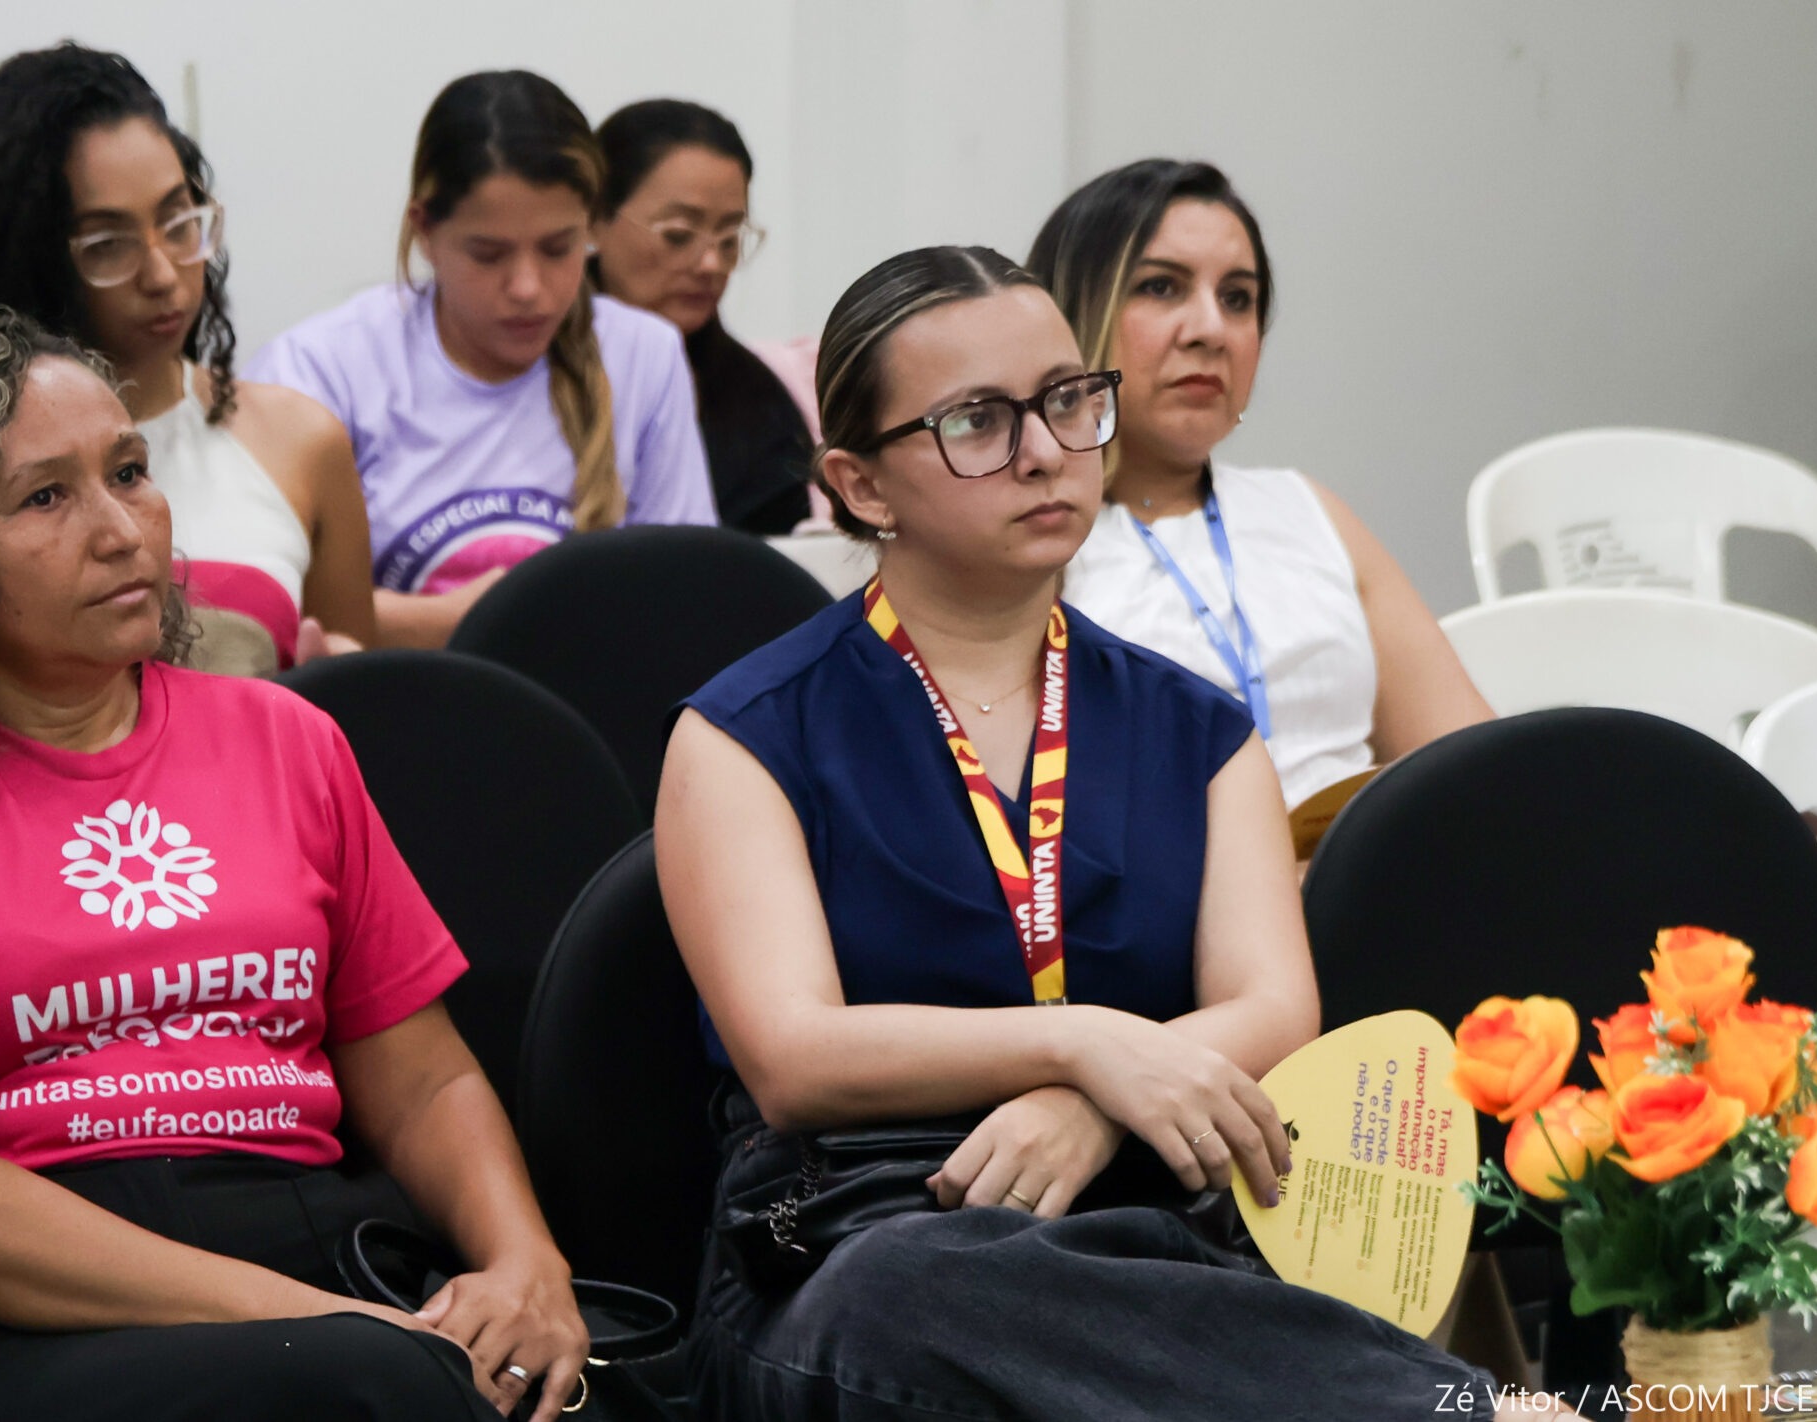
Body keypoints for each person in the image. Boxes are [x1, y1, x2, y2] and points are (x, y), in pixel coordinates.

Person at [657, 245, 1534, 1419]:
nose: (1043, 452)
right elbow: (794, 1056)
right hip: (849, 1228)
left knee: (1189, 1285)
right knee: (905, 1293)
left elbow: (1274, 1008)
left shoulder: (1199, 731)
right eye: (977, 421)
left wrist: (1096, 1100)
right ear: (862, 488)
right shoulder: (748, 731)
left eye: (1067, 401)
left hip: (1141, 1204)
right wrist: (1083, 1046)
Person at [0, 310, 586, 1422]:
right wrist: (308, 1324)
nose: (121, 529)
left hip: (319, 1250)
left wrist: (526, 1268)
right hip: (7, 1318)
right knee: (368, 1389)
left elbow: (424, 1084)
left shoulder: (286, 739)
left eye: (129, 472)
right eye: (45, 497)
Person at [0, 44, 373, 672]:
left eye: (178, 222)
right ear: (25, 257)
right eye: (109, 245)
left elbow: (360, 688)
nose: (162, 274)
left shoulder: (300, 441)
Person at [1036, 160, 1490, 819]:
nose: (1210, 330)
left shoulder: (1304, 508)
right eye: (1161, 287)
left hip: (1359, 869)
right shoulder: (1038, 537)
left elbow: (1475, 763)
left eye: (1238, 298)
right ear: (1071, 315)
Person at [248, 71, 716, 648]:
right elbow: (257, 605)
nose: (528, 289)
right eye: (489, 254)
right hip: (385, 701)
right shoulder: (317, 369)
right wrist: (470, 622)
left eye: (559, 248)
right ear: (425, 230)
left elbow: (687, 596)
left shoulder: (645, 355)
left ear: (593, 225)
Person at [590, 99, 809, 535]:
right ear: (594, 218)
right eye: (678, 235)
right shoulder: (528, 365)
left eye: (729, 238)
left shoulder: (756, 398)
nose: (711, 263)